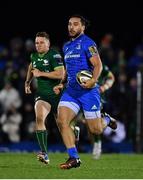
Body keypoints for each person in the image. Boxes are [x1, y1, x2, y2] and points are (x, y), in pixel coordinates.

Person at [54, 14, 117, 169]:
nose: (71, 27)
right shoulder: (66, 46)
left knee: (95, 130)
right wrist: (62, 84)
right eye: (69, 24)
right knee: (62, 121)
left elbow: (98, 66)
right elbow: (68, 71)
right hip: (71, 92)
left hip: (89, 92)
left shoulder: (88, 43)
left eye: (75, 24)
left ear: (82, 27)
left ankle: (107, 119)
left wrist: (93, 81)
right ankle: (74, 158)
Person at [25, 32, 64, 164]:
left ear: (48, 43)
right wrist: (27, 82)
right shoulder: (34, 56)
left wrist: (41, 73)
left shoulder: (54, 55)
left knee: (62, 126)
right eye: (37, 42)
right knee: (39, 118)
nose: (38, 45)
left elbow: (60, 74)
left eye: (41, 42)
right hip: (42, 96)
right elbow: (31, 66)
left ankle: (74, 129)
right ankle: (44, 153)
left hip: (57, 96)